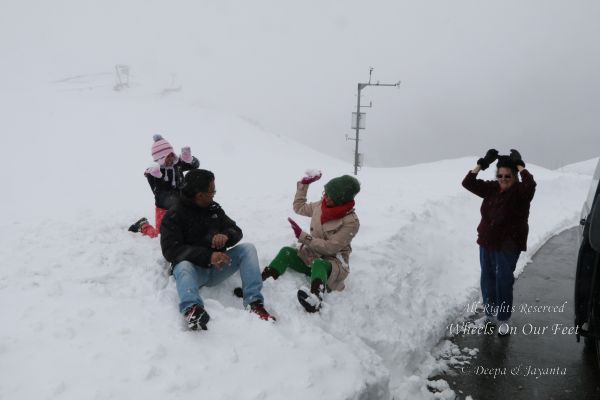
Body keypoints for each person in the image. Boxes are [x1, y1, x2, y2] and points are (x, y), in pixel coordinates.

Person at [160, 168, 274, 330]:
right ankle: (192, 309)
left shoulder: (214, 209)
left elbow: (236, 231)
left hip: (217, 268)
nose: (214, 194)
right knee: (182, 265)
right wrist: (208, 256)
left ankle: (254, 303)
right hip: (193, 273)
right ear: (199, 195)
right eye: (212, 191)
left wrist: (226, 235)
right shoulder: (174, 215)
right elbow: (171, 251)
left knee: (248, 249)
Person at [261, 172, 361, 313]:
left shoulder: (351, 222)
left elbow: (331, 248)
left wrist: (304, 237)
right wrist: (304, 185)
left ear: (340, 199)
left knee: (319, 264)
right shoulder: (321, 205)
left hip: (333, 264)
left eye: (329, 195)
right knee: (286, 251)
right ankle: (260, 282)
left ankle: (315, 299)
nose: (324, 197)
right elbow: (299, 207)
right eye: (325, 192)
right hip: (313, 255)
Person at [462, 149, 536, 336]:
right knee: (487, 278)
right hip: (487, 240)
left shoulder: (521, 192)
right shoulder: (492, 188)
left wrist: (520, 164)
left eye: (507, 175)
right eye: (500, 175)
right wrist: (483, 163)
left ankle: (503, 319)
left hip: (508, 244)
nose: (503, 178)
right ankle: (489, 315)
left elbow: (530, 184)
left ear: (514, 176)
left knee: (503, 280)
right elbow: (467, 182)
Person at [128, 134, 199, 237]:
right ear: (160, 158)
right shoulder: (153, 172)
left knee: (186, 229)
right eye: (167, 156)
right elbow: (159, 193)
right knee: (159, 235)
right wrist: (158, 176)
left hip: (181, 204)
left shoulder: (176, 165)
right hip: (163, 207)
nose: (170, 158)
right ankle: (143, 225)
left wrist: (189, 159)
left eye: (171, 155)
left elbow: (194, 165)